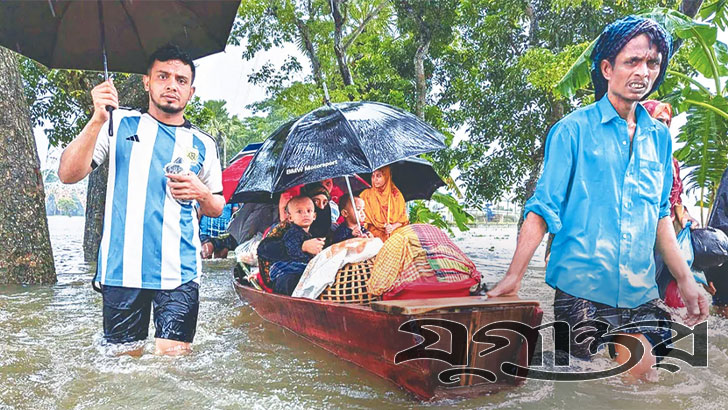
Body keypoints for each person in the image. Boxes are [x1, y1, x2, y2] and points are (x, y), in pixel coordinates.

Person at [487, 16, 709, 382]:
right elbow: (542, 209)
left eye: (652, 63)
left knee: (641, 378)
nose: (643, 72)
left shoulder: (659, 138)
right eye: (632, 61)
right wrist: (514, 275)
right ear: (607, 68)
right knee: (577, 386)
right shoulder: (571, 130)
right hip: (580, 289)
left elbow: (659, 217)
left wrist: (686, 280)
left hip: (638, 288)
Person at [57, 44, 225, 356]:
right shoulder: (117, 124)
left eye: (181, 80)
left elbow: (217, 205)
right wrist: (96, 119)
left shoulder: (203, 144)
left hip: (180, 272)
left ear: (191, 91)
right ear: (147, 82)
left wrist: (200, 192)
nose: (172, 85)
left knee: (173, 366)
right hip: (122, 269)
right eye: (163, 76)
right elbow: (67, 173)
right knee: (125, 369)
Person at [257, 196, 325, 295]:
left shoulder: (309, 234)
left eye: (309, 211)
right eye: (299, 212)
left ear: (314, 216)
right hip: (286, 270)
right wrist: (304, 248)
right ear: (290, 217)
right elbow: (292, 250)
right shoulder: (292, 232)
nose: (305, 214)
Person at [360, 166, 408, 242]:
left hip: (394, 234)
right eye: (373, 176)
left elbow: (403, 220)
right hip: (373, 236)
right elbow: (361, 220)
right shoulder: (366, 195)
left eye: (379, 176)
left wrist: (392, 227)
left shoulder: (396, 195)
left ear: (386, 176)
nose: (375, 179)